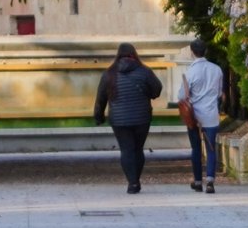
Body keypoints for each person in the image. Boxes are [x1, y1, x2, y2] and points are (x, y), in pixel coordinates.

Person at [93, 41, 164, 193]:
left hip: (119, 120)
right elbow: (157, 90)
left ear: (118, 55)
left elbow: (100, 99)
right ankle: (135, 179)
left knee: (126, 150)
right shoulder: (144, 71)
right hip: (142, 118)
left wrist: (98, 117)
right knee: (138, 149)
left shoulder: (109, 73)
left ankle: (132, 182)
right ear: (134, 54)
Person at [176, 39, 227, 192]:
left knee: (196, 148)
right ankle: (210, 180)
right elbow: (219, 93)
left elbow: (181, 96)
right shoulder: (217, 69)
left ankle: (198, 181)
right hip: (211, 115)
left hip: (194, 117)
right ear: (206, 51)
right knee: (211, 148)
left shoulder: (190, 72)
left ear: (192, 52)